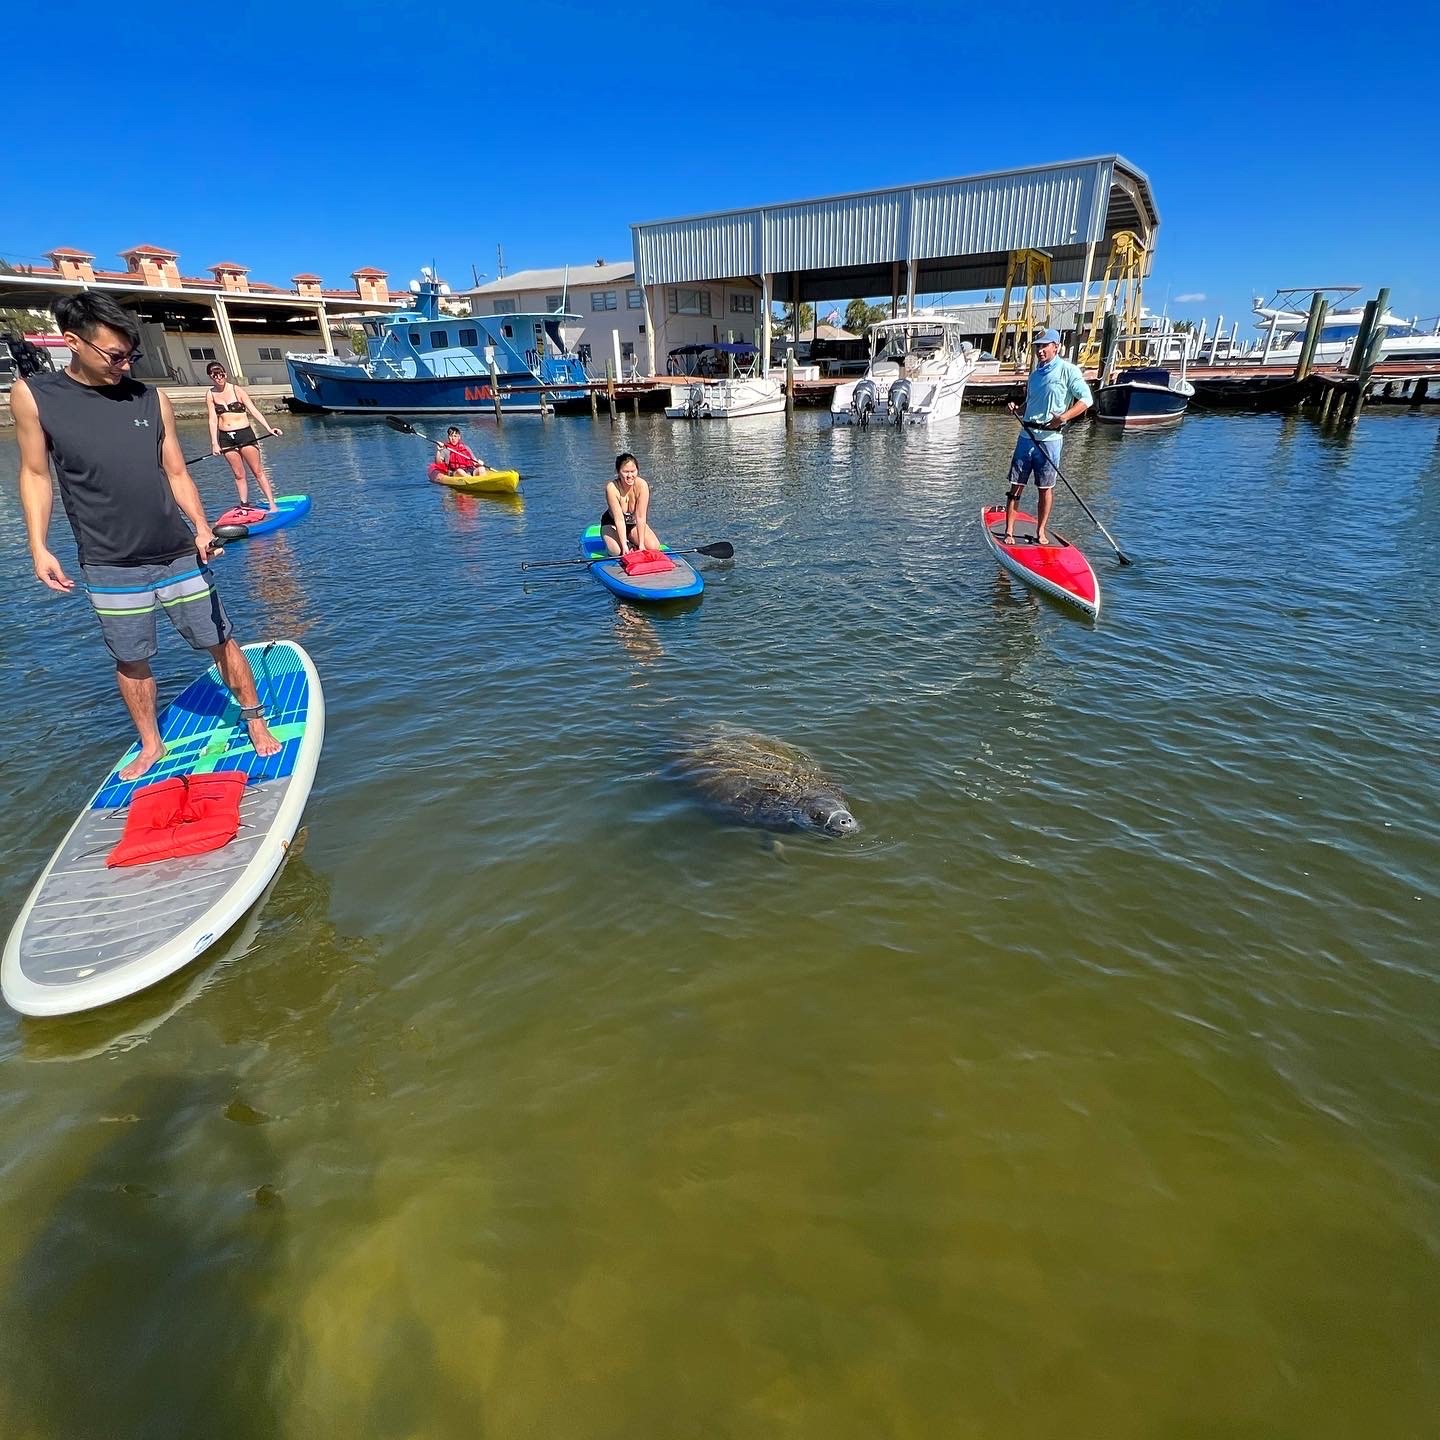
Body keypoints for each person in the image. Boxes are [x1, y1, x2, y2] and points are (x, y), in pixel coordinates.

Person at [12, 291, 281, 782]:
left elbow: (176, 473)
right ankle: (151, 745)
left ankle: (255, 721)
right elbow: (34, 474)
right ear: (73, 342)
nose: (124, 365)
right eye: (115, 356)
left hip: (176, 551)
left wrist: (201, 527)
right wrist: (38, 545)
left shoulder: (149, 397)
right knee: (131, 658)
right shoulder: (34, 396)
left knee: (220, 640)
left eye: (130, 355)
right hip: (108, 561)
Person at [1003, 327, 1093, 546]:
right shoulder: (1034, 375)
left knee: (1045, 488)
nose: (1040, 351)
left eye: (1044, 346)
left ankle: (1041, 531)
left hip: (1050, 440)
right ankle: (1009, 531)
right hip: (1026, 437)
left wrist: (1063, 417)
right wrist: (1017, 408)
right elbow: (1030, 405)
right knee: (1016, 485)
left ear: (1056, 347)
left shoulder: (1068, 371)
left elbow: (1086, 400)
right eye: (1037, 347)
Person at [205, 359, 282, 511]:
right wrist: (214, 442)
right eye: (214, 375)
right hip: (225, 438)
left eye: (220, 374)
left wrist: (268, 428)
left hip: (244, 435)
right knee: (238, 474)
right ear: (210, 377)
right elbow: (212, 419)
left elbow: (253, 410)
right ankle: (244, 505)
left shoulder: (237, 390)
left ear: (225, 374)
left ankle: (272, 503)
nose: (218, 378)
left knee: (257, 471)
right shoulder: (210, 394)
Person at [600, 451, 662, 557]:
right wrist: (624, 546)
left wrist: (642, 544)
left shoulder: (642, 485)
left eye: (633, 471)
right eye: (625, 472)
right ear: (618, 472)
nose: (630, 476)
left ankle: (634, 542)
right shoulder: (611, 488)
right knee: (616, 551)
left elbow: (641, 516)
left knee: (653, 546)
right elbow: (619, 519)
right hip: (613, 524)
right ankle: (620, 542)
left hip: (632, 524)